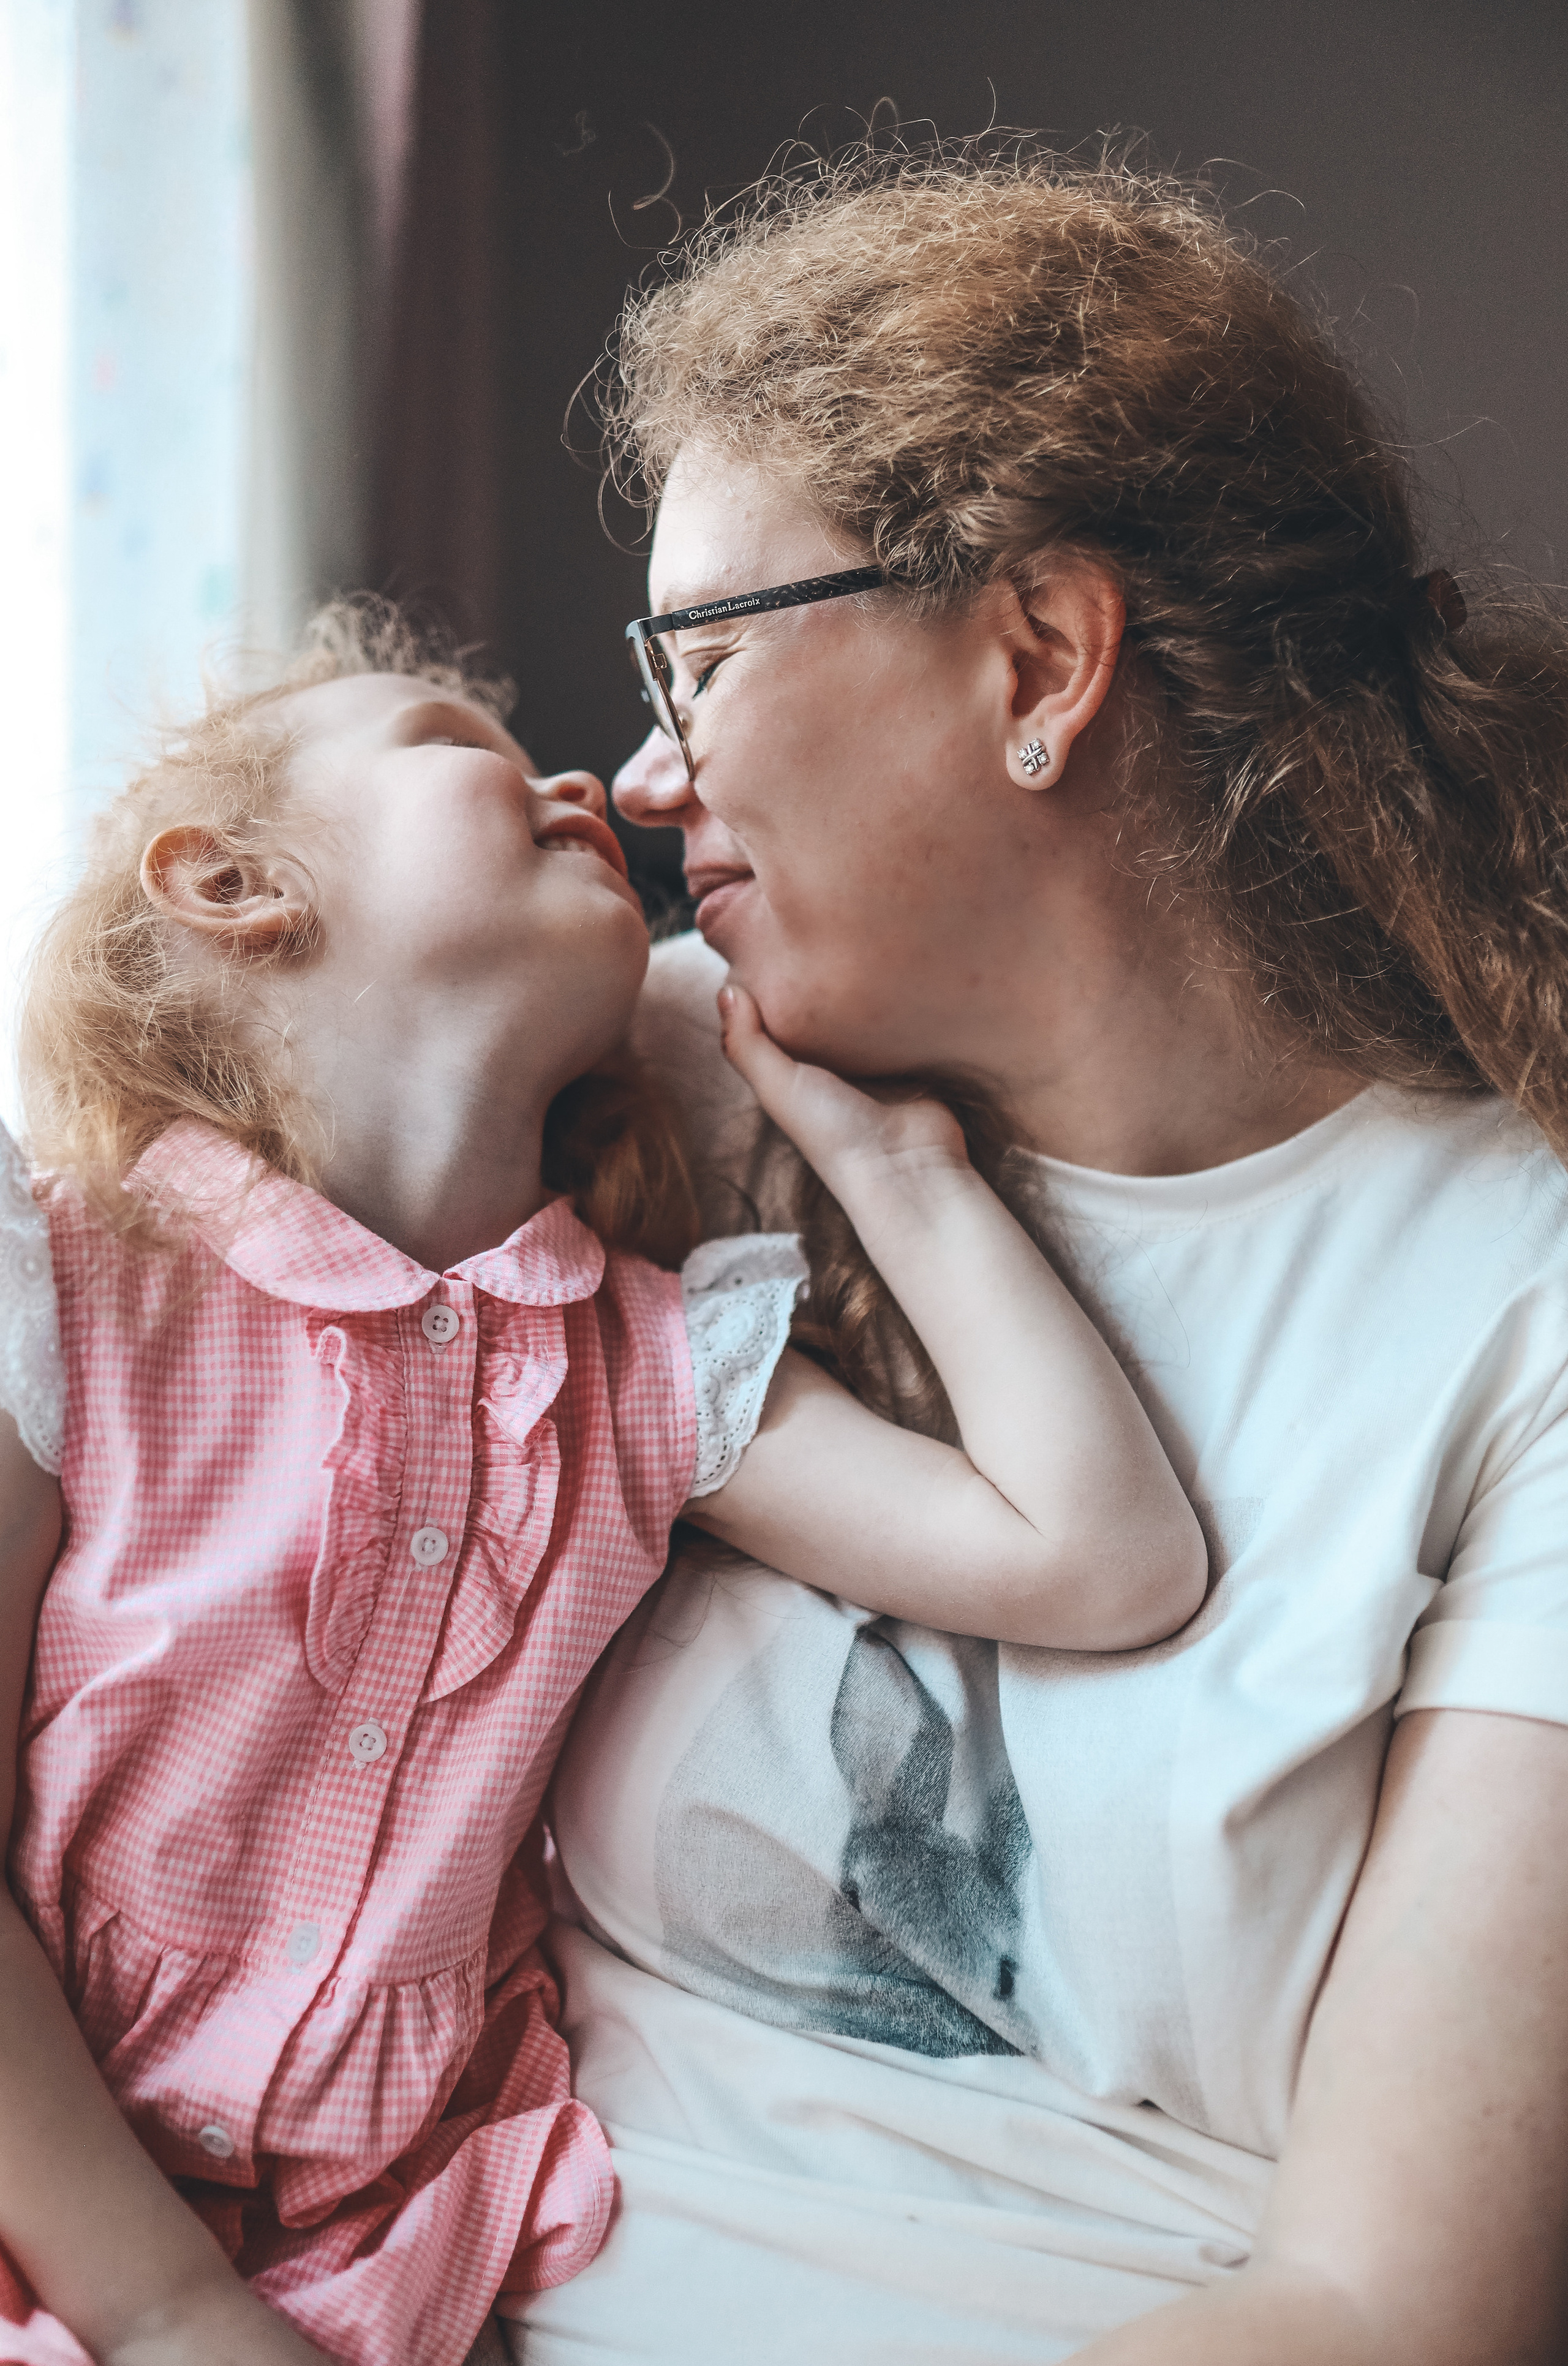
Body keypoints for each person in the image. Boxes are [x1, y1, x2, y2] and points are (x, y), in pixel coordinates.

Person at [507, 146, 1568, 2364]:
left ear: (1042, 658)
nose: (641, 777)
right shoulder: (635, 1092)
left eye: (701, 660)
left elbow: (1387, 2307)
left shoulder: (1517, 1304)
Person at [0, 600, 1204, 2366]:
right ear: (234, 884)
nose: (577, 779)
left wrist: (897, 1168)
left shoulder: (651, 1374)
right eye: (453, 749)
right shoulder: (69, 1285)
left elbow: (1101, 1560)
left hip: (382, 2252)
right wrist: (167, 2310)